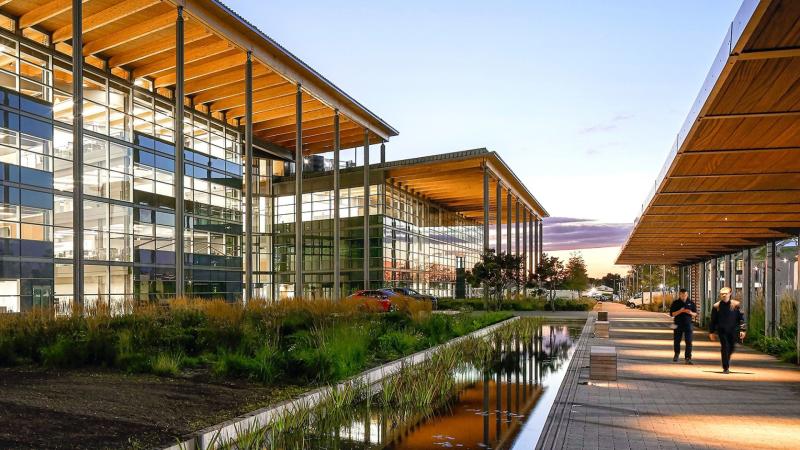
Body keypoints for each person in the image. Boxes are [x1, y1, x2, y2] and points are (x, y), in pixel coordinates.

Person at [709, 286, 746, 374]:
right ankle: (726, 367)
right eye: (722, 294)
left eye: (725, 294)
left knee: (732, 348)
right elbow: (713, 320)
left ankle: (726, 358)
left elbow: (741, 318)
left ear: (730, 294)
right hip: (722, 331)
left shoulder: (736, 305)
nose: (724, 295)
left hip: (734, 330)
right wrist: (711, 332)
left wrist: (743, 330)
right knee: (725, 347)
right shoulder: (716, 306)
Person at [669, 288, 696, 364]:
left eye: (685, 295)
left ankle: (688, 358)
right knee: (677, 341)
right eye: (682, 295)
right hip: (678, 324)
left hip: (688, 325)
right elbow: (672, 314)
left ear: (687, 295)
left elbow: (695, 314)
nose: (683, 296)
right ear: (679, 295)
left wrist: (690, 312)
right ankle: (676, 354)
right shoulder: (675, 303)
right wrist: (680, 311)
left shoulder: (691, 303)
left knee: (689, 341)